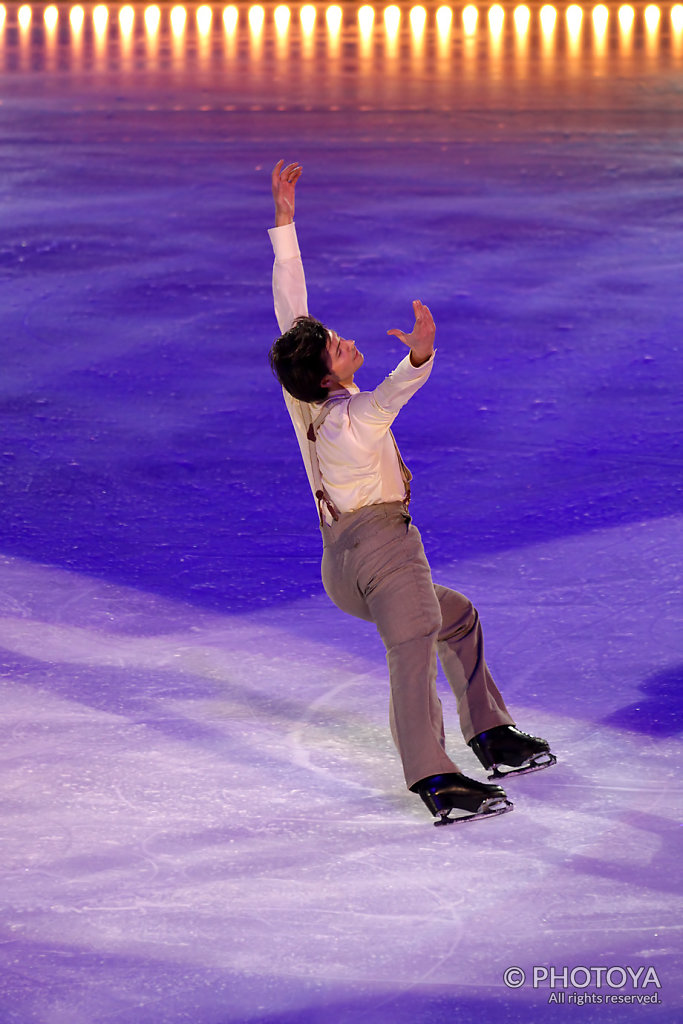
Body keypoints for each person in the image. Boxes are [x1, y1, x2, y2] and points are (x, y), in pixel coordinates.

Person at [267, 159, 556, 826]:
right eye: (335, 349)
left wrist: (285, 223)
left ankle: (489, 733)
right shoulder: (349, 419)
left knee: (455, 618)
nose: (342, 343)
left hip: (341, 564)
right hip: (383, 554)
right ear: (325, 376)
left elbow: (292, 312)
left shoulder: (302, 402)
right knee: (416, 645)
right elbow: (388, 400)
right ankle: (435, 777)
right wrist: (419, 355)